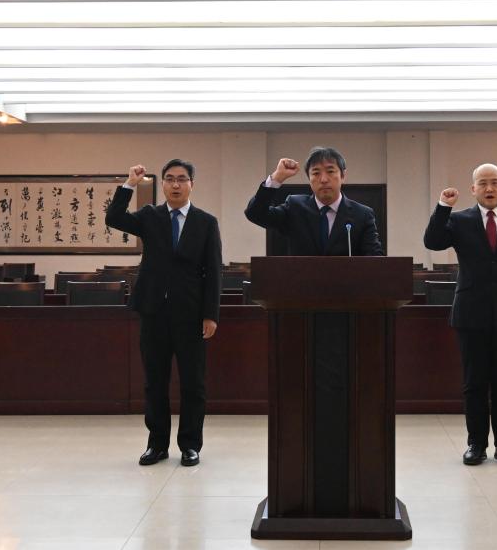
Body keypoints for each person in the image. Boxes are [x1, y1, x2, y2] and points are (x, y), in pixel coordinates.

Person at [423, 163, 497, 466]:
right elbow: (433, 242)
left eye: (494, 183)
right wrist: (443, 207)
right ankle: (476, 444)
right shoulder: (459, 220)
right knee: (474, 382)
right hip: (471, 312)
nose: (489, 189)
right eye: (483, 183)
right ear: (473, 189)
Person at [105, 159, 222, 467]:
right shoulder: (150, 216)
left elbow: (213, 271)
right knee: (155, 381)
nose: (175, 184)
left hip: (191, 315)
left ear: (191, 184)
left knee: (193, 383)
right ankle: (156, 445)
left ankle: (190, 445)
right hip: (153, 311)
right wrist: (129, 184)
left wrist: (211, 314)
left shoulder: (206, 222)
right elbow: (113, 217)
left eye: (182, 179)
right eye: (170, 179)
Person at [244, 146, 383, 256]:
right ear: (309, 179)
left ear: (343, 176)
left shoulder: (362, 214)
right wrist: (276, 178)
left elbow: (375, 260)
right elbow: (255, 214)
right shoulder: (295, 207)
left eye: (330, 171)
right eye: (316, 173)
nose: (323, 179)